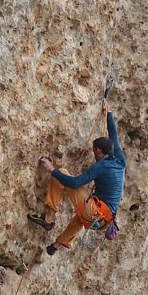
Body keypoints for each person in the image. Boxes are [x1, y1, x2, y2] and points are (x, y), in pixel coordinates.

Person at [27, 101, 126, 255]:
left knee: (63, 173)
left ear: (98, 151)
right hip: (104, 221)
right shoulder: (120, 160)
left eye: (94, 152)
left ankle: (49, 217)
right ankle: (58, 244)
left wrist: (52, 170)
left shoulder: (101, 166)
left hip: (96, 213)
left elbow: (74, 183)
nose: (94, 155)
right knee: (81, 216)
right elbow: (113, 135)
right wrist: (109, 114)